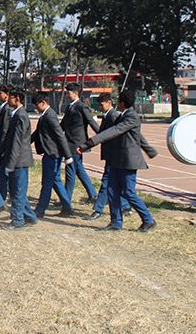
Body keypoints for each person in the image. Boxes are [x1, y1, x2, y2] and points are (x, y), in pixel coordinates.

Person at [85, 89, 157, 232]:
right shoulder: (123, 115)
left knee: (128, 192)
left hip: (128, 161)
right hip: (117, 160)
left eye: (118, 100)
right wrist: (149, 150)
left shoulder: (131, 116)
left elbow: (115, 130)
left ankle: (148, 220)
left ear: (122, 103)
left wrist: (91, 142)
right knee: (112, 190)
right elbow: (138, 136)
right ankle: (116, 223)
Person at [0, 88, 38, 231]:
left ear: (17, 99)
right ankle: (30, 216)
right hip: (14, 160)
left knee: (17, 192)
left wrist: (10, 164)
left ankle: (17, 221)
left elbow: (16, 143)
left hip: (19, 161)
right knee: (16, 192)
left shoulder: (21, 116)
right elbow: (7, 140)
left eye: (11, 97)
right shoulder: (15, 114)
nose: (8, 100)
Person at [31, 92, 75, 218]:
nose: (35, 108)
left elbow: (60, 135)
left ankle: (40, 210)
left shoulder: (50, 116)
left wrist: (68, 156)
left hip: (52, 154)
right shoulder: (45, 116)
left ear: (43, 103)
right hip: (50, 153)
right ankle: (67, 207)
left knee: (47, 183)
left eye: (36, 105)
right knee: (55, 181)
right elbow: (36, 134)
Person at [60, 83, 100, 203]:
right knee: (78, 169)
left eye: (68, 93)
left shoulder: (81, 107)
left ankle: (66, 199)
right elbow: (63, 125)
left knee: (70, 171)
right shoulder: (69, 107)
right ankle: (93, 194)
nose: (67, 95)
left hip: (76, 144)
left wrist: (102, 135)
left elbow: (91, 121)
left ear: (75, 93)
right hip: (69, 142)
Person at [0, 84, 12, 200]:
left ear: (7, 95)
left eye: (0, 93)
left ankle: (2, 196)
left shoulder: (7, 109)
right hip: (2, 145)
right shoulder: (4, 107)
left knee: (0, 170)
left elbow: (4, 130)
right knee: (0, 170)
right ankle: (6, 192)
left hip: (3, 146)